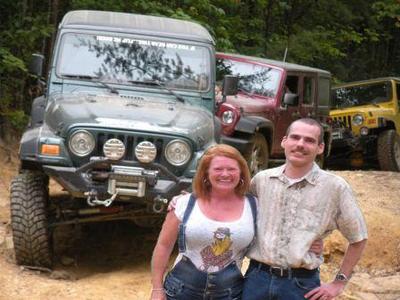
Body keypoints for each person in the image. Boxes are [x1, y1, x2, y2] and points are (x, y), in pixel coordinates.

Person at [150, 144, 323, 300]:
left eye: (231, 169)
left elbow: (279, 228)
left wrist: (308, 241)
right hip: (180, 292)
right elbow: (163, 247)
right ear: (205, 173)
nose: (225, 174)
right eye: (218, 169)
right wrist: (157, 289)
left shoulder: (255, 205)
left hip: (230, 294)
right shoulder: (184, 204)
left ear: (241, 172)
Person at [242, 118, 368, 300]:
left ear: (320, 148)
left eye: (309, 140)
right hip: (256, 280)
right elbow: (237, 214)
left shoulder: (335, 187)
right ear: (284, 141)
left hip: (300, 285)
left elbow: (359, 238)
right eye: (295, 137)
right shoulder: (261, 180)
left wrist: (339, 282)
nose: (300, 144)